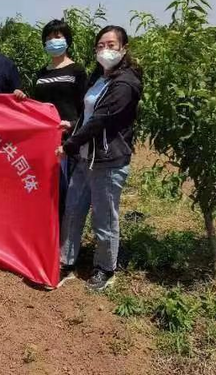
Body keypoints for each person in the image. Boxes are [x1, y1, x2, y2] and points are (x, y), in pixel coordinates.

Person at [57, 25, 142, 291]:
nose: (106, 50)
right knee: (72, 211)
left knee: (104, 218)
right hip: (85, 158)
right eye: (101, 46)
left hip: (107, 161)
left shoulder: (126, 84)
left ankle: (105, 268)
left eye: (112, 45)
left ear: (123, 49)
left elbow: (102, 121)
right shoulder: (99, 78)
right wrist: (71, 125)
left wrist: (69, 145)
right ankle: (65, 262)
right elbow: (88, 116)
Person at [33, 19, 87, 220]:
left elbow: (85, 107)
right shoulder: (42, 73)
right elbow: (36, 107)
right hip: (44, 141)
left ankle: (63, 245)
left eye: (57, 36)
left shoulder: (77, 71)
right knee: (45, 191)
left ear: (67, 40)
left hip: (66, 140)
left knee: (65, 193)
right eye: (48, 38)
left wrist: (73, 126)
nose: (53, 41)